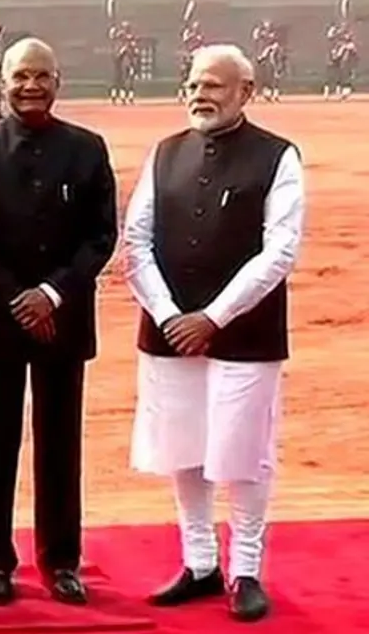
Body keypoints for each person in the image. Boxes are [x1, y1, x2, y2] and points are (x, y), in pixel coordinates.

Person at [122, 44, 304, 623]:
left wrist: (215, 317)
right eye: (195, 83)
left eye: (215, 86)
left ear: (245, 93)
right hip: (171, 331)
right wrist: (169, 313)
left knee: (244, 453)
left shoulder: (277, 157)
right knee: (185, 446)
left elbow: (280, 251)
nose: (201, 94)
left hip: (245, 335)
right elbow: (136, 242)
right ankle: (198, 562)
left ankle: (245, 568)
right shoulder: (164, 153)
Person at [0, 37, 117, 606]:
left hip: (62, 319)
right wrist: (17, 295)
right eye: (20, 76)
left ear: (57, 81)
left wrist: (51, 294)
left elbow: (100, 237)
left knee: (60, 443)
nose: (31, 86)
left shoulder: (87, 150)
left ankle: (61, 560)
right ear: (3, 82)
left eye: (42, 75)